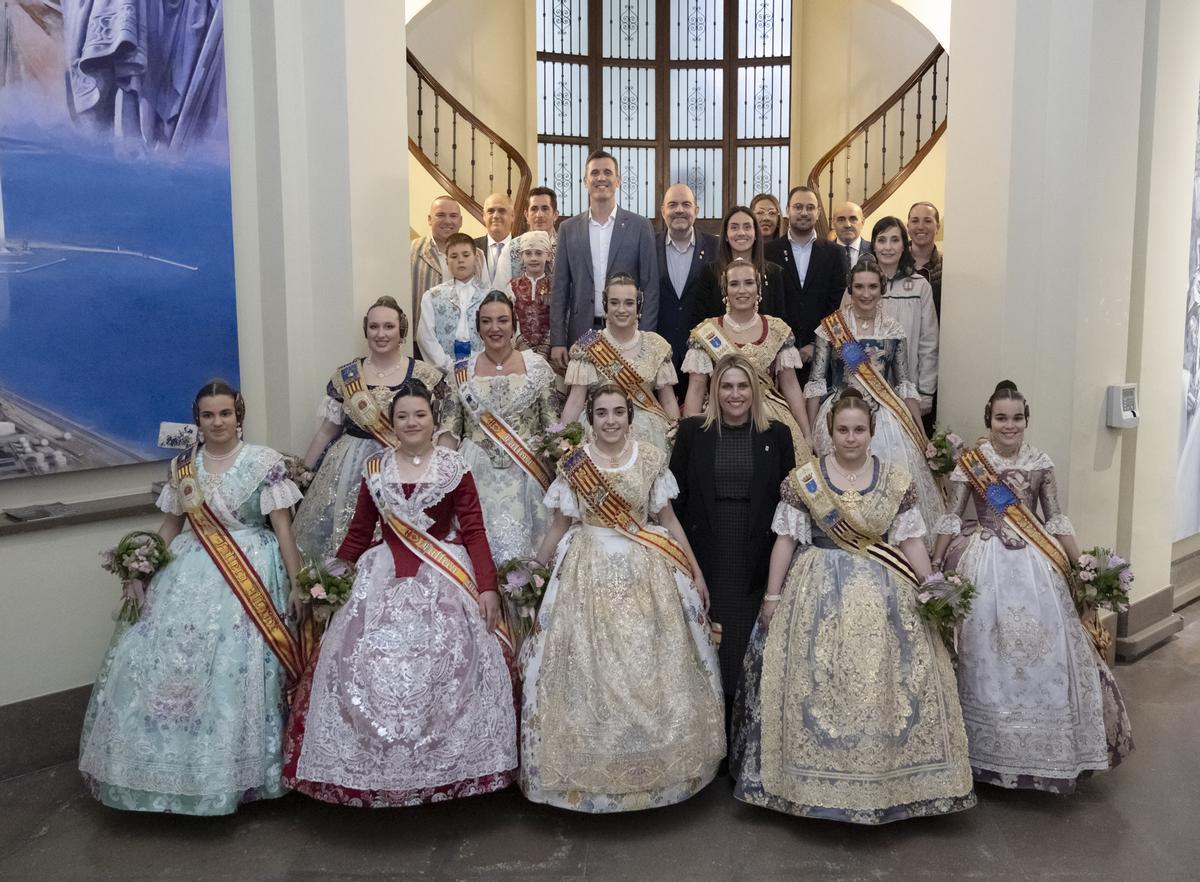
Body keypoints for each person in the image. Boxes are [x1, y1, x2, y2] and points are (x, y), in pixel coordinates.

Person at [733, 390, 976, 824]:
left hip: (886, 592)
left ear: (871, 432)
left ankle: (888, 782)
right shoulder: (804, 479)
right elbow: (786, 541)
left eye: (858, 430)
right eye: (842, 430)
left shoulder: (896, 480)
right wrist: (772, 597)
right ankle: (805, 784)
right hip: (816, 588)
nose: (850, 438)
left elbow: (910, 542)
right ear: (830, 433)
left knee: (883, 683)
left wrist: (932, 588)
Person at [283, 380, 518, 806]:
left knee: (452, 662)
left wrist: (486, 588)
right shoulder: (375, 468)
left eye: (419, 415)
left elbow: (476, 531)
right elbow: (356, 535)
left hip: (445, 576)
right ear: (392, 424)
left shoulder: (453, 467)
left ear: (433, 421)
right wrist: (330, 583)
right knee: (359, 659)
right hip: (382, 575)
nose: (411, 423)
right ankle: (374, 769)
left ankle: (448, 768)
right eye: (403, 416)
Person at [79, 381, 305, 815]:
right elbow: (169, 527)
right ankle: (160, 771)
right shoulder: (184, 467)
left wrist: (297, 583)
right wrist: (140, 568)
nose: (217, 422)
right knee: (160, 663)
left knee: (230, 668)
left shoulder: (265, 462)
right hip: (186, 571)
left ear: (239, 414)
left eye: (225, 413)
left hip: (251, 570)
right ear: (197, 420)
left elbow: (283, 530)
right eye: (208, 415)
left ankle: (237, 774)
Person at [520, 385, 725, 812]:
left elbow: (667, 519)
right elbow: (560, 525)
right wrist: (531, 572)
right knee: (586, 669)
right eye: (601, 413)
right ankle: (589, 775)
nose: (610, 420)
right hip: (587, 566)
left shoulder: (650, 458)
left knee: (648, 663)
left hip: (646, 568)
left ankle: (657, 770)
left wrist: (696, 570)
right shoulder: (574, 465)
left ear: (630, 417)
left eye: (618, 412)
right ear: (589, 419)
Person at [931, 381, 1134, 793]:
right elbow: (952, 516)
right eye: (1001, 418)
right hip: (983, 555)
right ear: (988, 420)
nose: (1010, 426)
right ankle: (981, 749)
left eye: (1017, 419)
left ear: (1027, 420)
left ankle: (1046, 749)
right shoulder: (972, 462)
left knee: (1048, 643)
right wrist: (935, 565)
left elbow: (1055, 519)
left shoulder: (1040, 461)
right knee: (983, 644)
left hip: (1035, 563)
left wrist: (1080, 565)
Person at [670, 355, 796, 740]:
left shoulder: (778, 435)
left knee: (746, 643)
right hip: (708, 550)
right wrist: (686, 563)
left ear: (755, 390)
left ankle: (748, 741)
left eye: (742, 386)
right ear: (714, 390)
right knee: (712, 643)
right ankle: (715, 740)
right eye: (726, 386)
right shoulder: (692, 433)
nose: (735, 394)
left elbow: (789, 505)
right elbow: (676, 500)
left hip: (756, 553)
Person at [293, 298, 444, 562]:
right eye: (374, 327)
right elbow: (327, 430)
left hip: (403, 465)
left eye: (389, 326)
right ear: (366, 331)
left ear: (401, 330)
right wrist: (303, 475)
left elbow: (436, 430)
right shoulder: (347, 375)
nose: (381, 333)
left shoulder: (426, 374)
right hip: (349, 467)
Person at [807, 258, 942, 548]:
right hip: (837, 415)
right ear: (850, 289)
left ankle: (891, 549)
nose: (865, 294)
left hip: (886, 419)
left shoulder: (893, 329)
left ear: (881, 289)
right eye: (859, 287)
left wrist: (920, 434)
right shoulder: (830, 329)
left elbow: (905, 384)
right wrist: (809, 433)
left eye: (872, 287)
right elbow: (816, 384)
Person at [439, 291, 559, 563]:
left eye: (502, 320)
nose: (495, 328)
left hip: (528, 476)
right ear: (478, 326)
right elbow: (448, 435)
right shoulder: (460, 372)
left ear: (514, 323)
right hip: (476, 476)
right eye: (487, 321)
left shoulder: (538, 367)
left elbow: (553, 429)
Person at [683, 259, 811, 458]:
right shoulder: (707, 331)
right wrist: (688, 437)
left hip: (770, 416)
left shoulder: (777, 329)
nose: (742, 290)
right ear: (725, 289)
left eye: (748, 282)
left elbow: (791, 386)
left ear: (758, 287)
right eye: (734, 284)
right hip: (721, 412)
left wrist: (806, 435)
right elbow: (697, 388)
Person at [549, 150, 659, 368]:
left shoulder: (639, 226)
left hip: (628, 334)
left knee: (625, 399)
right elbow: (559, 289)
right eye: (595, 173)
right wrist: (558, 340)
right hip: (583, 333)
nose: (601, 178)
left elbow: (651, 287)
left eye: (607, 172)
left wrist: (646, 338)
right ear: (585, 181)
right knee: (584, 397)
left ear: (617, 180)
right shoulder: (568, 229)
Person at [561, 273, 680, 455]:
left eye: (629, 303)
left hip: (649, 438)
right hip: (599, 431)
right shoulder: (589, 345)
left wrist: (676, 436)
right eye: (614, 302)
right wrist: (564, 441)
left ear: (638, 306)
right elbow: (576, 401)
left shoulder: (656, 345)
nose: (621, 309)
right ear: (605, 306)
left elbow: (668, 400)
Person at [866, 216, 939, 430]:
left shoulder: (919, 286)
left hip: (908, 390)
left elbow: (928, 342)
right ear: (873, 245)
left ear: (904, 245)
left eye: (895, 240)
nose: (888, 247)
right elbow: (845, 338)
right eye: (882, 240)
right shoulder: (859, 286)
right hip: (866, 388)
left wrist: (926, 391)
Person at [765, 186, 846, 364]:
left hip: (823, 353)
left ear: (818, 212)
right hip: (779, 352)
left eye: (810, 207)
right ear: (787, 210)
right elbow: (769, 302)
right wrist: (785, 343)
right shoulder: (768, 252)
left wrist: (816, 343)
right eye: (798, 207)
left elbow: (837, 303)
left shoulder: (835, 253)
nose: (804, 212)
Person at [655, 183, 720, 374]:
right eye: (673, 204)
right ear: (663, 210)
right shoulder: (649, 245)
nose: (679, 210)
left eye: (686, 204)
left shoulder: (716, 247)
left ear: (696, 210)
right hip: (659, 354)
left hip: (703, 353)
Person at [692, 205, 786, 326]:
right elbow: (700, 321)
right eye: (734, 227)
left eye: (747, 227)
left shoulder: (774, 272)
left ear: (756, 233)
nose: (741, 233)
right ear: (725, 235)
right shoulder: (709, 272)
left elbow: (780, 321)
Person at [416, 232, 491, 373]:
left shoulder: (490, 296)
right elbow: (425, 337)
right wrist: (447, 366)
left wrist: (480, 365)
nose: (460, 260)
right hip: (443, 371)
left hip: (482, 369)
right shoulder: (432, 296)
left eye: (466, 255)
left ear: (476, 259)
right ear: (446, 260)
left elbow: (496, 334)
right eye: (454, 256)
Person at [411, 196, 464, 357]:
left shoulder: (476, 255)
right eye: (440, 215)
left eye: (453, 216)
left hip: (463, 345)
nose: (447, 221)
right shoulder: (411, 252)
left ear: (460, 221)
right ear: (429, 219)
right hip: (420, 346)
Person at [508, 230, 554, 359]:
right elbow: (509, 319)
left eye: (539, 253)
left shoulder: (556, 287)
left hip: (550, 353)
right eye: (528, 253)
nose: (533, 258)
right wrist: (520, 344)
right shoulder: (512, 287)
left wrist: (546, 347)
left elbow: (559, 318)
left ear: (549, 256)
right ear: (521, 257)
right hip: (518, 351)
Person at [509, 186, 560, 280]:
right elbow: (500, 290)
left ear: (555, 215)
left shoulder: (566, 248)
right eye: (534, 209)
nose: (539, 215)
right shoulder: (511, 248)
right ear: (526, 215)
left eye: (545, 209)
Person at [907, 201, 943, 316]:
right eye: (915, 221)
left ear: (937, 227)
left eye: (927, 221)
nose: (920, 227)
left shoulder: (948, 267)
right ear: (908, 227)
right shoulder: (893, 263)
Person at [475, 193, 516, 292]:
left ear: (512, 216)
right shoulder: (471, 247)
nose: (496, 216)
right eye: (491, 211)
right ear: (484, 216)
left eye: (502, 211)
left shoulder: (522, 249)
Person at [831, 201, 872, 277]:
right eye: (841, 219)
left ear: (862, 222)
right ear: (833, 223)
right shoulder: (823, 253)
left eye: (853, 219)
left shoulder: (875, 251)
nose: (847, 225)